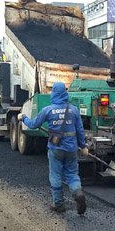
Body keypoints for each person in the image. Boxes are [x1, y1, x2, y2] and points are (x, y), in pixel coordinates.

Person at [19, 82, 89, 215]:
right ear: (65, 93)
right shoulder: (74, 110)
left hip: (55, 148)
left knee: (56, 175)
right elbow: (80, 130)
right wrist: (83, 146)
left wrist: (23, 117)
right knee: (72, 174)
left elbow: (33, 125)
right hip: (72, 148)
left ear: (54, 94)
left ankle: (58, 204)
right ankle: (78, 193)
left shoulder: (48, 110)